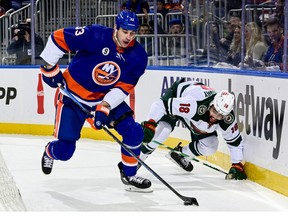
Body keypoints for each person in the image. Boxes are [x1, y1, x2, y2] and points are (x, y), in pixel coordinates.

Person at [39, 10, 152, 193]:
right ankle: (49, 151)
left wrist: (105, 106)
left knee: (134, 132)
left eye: (132, 33)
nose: (128, 37)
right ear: (116, 28)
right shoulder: (95, 35)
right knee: (65, 152)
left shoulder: (138, 56)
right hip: (72, 98)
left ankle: (129, 174)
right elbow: (58, 38)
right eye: (125, 32)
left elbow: (124, 86)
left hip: (102, 97)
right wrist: (49, 68)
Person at [139, 79, 247, 180]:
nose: (215, 117)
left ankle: (180, 154)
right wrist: (151, 122)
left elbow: (235, 142)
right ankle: (136, 160)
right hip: (178, 95)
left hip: (195, 116)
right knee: (162, 131)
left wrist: (237, 164)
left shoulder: (227, 118)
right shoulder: (193, 105)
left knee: (211, 146)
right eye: (215, 111)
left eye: (220, 115)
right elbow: (160, 105)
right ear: (212, 104)